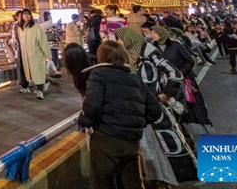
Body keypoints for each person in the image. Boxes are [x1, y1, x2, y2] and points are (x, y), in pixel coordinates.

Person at [115, 27, 198, 185]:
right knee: (148, 147)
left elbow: (175, 73)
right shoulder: (133, 55)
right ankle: (156, 178)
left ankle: (166, 178)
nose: (119, 42)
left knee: (162, 144)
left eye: (120, 39)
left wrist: (165, 94)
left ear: (129, 39)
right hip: (139, 109)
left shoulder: (148, 51)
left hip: (153, 108)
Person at [79, 41, 163, 189]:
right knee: (131, 182)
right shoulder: (135, 79)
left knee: (101, 182)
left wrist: (84, 121)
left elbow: (92, 104)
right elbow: (156, 111)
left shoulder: (98, 74)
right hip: (131, 142)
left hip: (107, 139)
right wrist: (137, 123)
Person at [151, 25, 213, 139]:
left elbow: (189, 61)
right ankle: (183, 134)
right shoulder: (152, 49)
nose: (152, 35)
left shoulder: (175, 45)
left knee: (191, 105)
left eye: (154, 33)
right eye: (151, 33)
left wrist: (178, 73)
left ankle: (202, 131)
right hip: (167, 83)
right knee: (174, 107)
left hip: (185, 80)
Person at [17, 8, 52, 100]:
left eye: (28, 14)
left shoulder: (36, 27)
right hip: (26, 55)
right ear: (22, 16)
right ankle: (39, 87)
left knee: (38, 72)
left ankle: (40, 91)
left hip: (36, 53)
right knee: (31, 73)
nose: (26, 16)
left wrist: (47, 54)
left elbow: (43, 41)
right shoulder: (21, 28)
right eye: (24, 14)